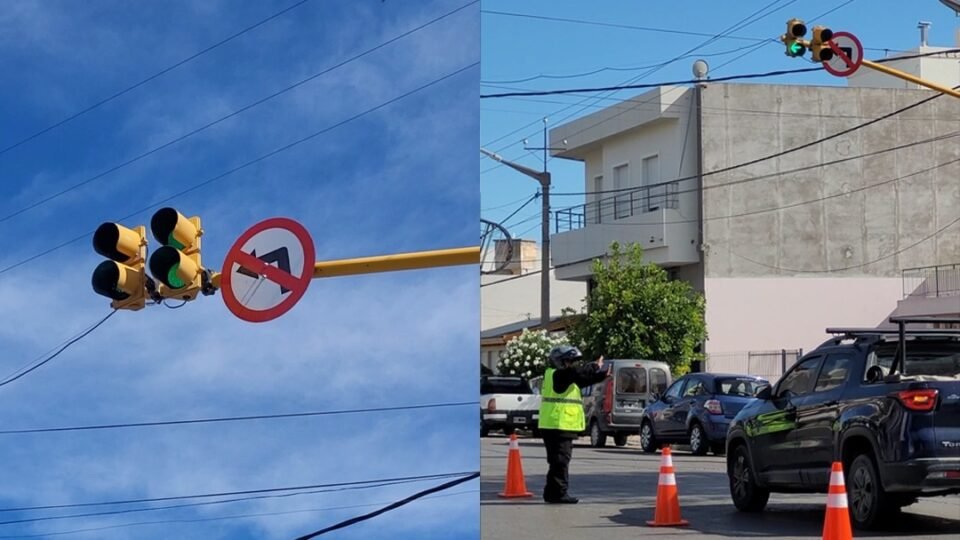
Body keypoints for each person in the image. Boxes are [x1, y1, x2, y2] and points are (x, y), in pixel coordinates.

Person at [537, 345, 608, 504]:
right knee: (560, 461)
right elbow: (576, 373)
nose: (572, 364)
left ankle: (551, 493)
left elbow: (583, 379)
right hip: (558, 424)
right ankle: (559, 494)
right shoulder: (559, 375)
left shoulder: (560, 377)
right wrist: (595, 366)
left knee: (557, 462)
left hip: (555, 424)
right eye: (569, 361)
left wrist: (601, 375)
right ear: (560, 362)